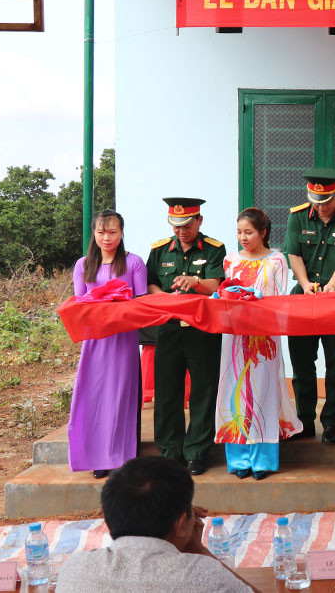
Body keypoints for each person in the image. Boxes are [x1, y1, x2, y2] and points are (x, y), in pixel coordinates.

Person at [56, 456, 258, 592]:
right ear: (180, 524)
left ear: (108, 520)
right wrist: (199, 550)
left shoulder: (73, 570)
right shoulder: (206, 576)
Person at [215, 208, 303, 480]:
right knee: (235, 391)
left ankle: (263, 460)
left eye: (249, 232)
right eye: (240, 232)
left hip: (264, 336)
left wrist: (254, 301)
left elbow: (277, 300)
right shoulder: (230, 260)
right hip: (235, 337)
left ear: (263, 233)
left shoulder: (277, 261)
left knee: (263, 394)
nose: (243, 237)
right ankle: (239, 458)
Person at [147, 198, 225, 475]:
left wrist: (196, 282)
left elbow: (217, 284)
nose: (182, 231)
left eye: (187, 225)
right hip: (169, 329)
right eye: (176, 225)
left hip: (202, 331)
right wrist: (166, 299)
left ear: (199, 220)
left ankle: (196, 453)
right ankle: (170, 452)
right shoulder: (159, 250)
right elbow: (151, 282)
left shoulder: (215, 249)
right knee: (168, 392)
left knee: (203, 392)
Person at [285, 168, 335, 444]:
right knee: (302, 363)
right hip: (302, 299)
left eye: (326, 200)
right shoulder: (297, 216)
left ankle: (331, 423)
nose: (320, 206)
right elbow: (293, 254)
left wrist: (331, 285)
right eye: (315, 200)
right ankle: (304, 421)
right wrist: (305, 283)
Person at [69, 210, 147, 479]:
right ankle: (97, 456)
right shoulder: (83, 264)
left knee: (121, 396)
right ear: (94, 233)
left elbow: (141, 303)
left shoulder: (133, 262)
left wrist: (118, 303)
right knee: (94, 396)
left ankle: (123, 456)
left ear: (122, 233)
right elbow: (80, 303)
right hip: (95, 341)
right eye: (102, 232)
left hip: (123, 339)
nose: (107, 237)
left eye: (112, 232)